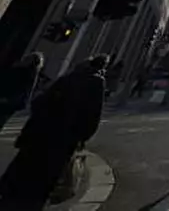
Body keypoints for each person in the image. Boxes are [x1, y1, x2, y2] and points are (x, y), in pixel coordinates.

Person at [0, 55, 107, 209]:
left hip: (42, 132)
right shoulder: (96, 82)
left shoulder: (68, 78)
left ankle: (10, 192)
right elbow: (93, 114)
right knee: (46, 175)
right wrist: (82, 137)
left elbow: (40, 102)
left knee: (24, 167)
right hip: (64, 137)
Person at [0, 53, 44, 132]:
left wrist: (7, 99)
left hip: (8, 101)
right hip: (11, 102)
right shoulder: (32, 75)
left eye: (28, 58)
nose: (24, 59)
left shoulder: (25, 73)